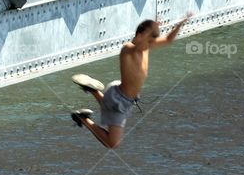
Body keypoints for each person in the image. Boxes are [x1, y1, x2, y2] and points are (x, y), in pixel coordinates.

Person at [71, 12, 193, 149]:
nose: (151, 45)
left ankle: (93, 90)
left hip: (123, 97)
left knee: (111, 109)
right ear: (140, 36)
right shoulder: (128, 49)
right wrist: (150, 30)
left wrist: (182, 22)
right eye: (148, 40)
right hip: (119, 99)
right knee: (113, 143)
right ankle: (83, 118)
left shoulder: (146, 47)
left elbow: (169, 39)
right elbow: (136, 47)